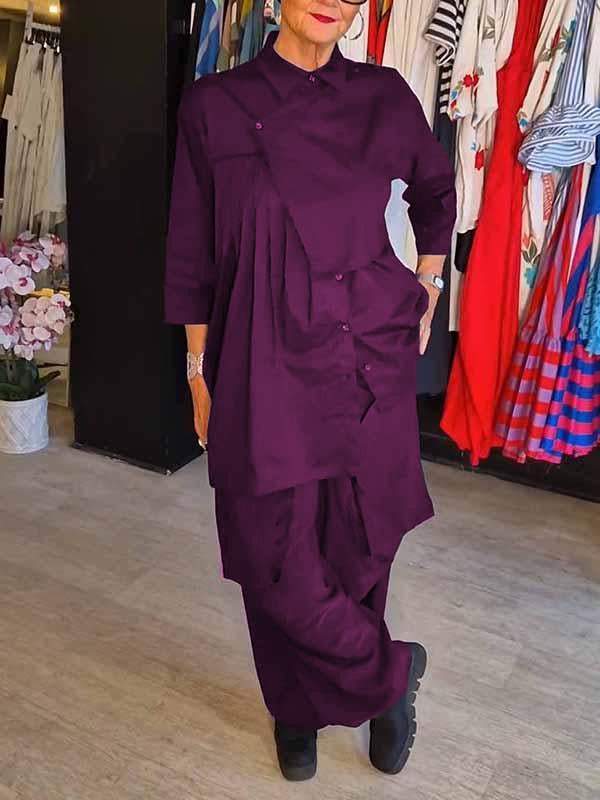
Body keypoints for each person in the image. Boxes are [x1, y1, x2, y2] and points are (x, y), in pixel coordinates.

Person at [164, 0, 456, 782]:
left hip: (364, 354)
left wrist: (430, 283)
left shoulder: (383, 96)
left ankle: (310, 708)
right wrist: (196, 370)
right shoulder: (215, 105)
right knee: (273, 558)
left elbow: (436, 189)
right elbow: (191, 250)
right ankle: (384, 677)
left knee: (357, 546)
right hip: (259, 359)